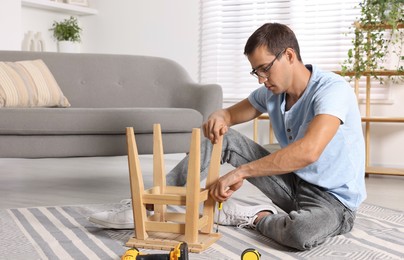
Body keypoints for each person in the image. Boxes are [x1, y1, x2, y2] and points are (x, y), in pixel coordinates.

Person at [89, 22, 366, 250]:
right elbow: (228, 116)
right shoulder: (272, 93)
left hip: (333, 200)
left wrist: (241, 172)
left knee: (300, 233)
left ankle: (257, 217)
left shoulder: (332, 90)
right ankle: (149, 204)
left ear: (289, 56)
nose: (261, 79)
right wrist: (218, 117)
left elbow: (309, 151)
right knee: (225, 138)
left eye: (265, 69)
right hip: (293, 183)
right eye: (256, 71)